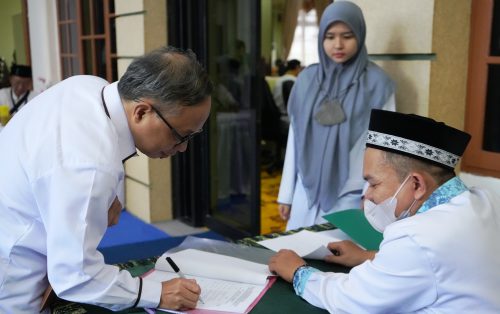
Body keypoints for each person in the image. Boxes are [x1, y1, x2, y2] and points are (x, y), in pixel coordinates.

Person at [0, 46, 213, 313]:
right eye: (182, 135)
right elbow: (74, 277)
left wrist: (106, 197)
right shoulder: (90, 166)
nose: (183, 148)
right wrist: (157, 293)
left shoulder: (89, 86)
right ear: (142, 112)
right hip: (15, 274)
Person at [269, 109, 500, 312]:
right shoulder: (483, 200)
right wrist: (367, 256)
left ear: (417, 185)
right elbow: (438, 265)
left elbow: (352, 300)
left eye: (374, 183)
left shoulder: (416, 237)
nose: (367, 195)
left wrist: (298, 272)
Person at [277, 1, 395, 230]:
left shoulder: (377, 83)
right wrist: (287, 194)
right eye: (330, 36)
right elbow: (296, 138)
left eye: (347, 36)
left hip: (350, 193)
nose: (338, 44)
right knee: (294, 252)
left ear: (360, 35)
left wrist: (370, 195)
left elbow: (382, 146)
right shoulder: (307, 80)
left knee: (336, 257)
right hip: (306, 190)